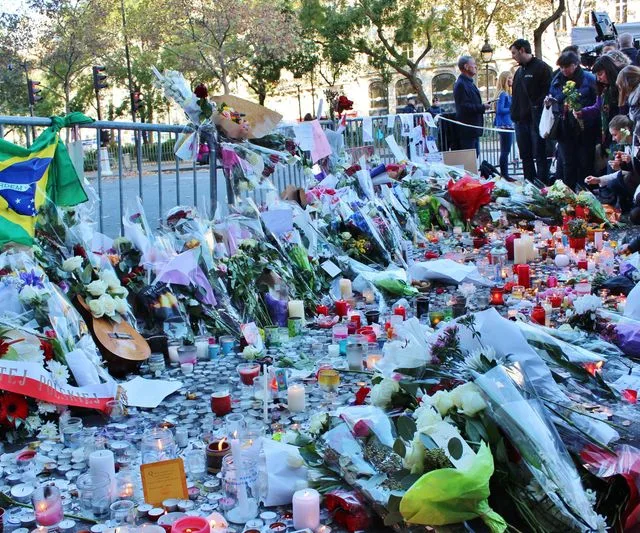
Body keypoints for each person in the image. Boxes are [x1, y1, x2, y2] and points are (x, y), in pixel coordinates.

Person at [548, 51, 598, 190]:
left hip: (585, 127)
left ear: (575, 65)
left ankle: (586, 191)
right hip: (564, 127)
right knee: (567, 162)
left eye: (566, 66)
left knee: (585, 161)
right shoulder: (557, 79)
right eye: (561, 67)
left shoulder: (589, 78)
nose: (563, 70)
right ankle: (568, 193)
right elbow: (553, 96)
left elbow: (597, 101)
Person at [509, 38, 553, 184]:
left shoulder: (542, 68)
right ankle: (529, 183)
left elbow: (548, 93)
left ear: (522, 50)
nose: (513, 56)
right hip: (521, 120)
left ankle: (542, 184)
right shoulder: (519, 72)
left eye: (514, 53)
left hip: (536, 120)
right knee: (525, 155)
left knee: (540, 154)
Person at [576, 55, 623, 172]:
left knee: (615, 169)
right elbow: (598, 107)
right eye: (597, 75)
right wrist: (582, 112)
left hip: (621, 134)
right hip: (608, 135)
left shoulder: (620, 87)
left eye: (601, 74)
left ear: (609, 70)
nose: (599, 78)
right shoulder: (604, 90)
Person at [585, 115, 636, 211]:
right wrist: (599, 179)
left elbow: (632, 171)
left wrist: (626, 165)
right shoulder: (626, 145)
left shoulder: (636, 142)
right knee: (612, 170)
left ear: (625, 130)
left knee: (616, 181)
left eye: (615, 135)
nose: (613, 139)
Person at [453, 55, 489, 156]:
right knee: (469, 160)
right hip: (467, 130)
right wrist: (482, 107)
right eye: (473, 64)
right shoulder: (460, 84)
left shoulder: (469, 83)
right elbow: (464, 106)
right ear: (466, 66)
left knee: (474, 157)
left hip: (473, 129)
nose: (476, 66)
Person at [494, 71, 514, 179]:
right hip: (504, 125)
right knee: (505, 150)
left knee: (505, 150)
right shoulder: (503, 94)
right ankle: (505, 174)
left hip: (507, 123)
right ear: (504, 80)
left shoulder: (506, 93)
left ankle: (505, 174)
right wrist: (512, 108)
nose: (511, 80)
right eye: (509, 78)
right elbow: (500, 109)